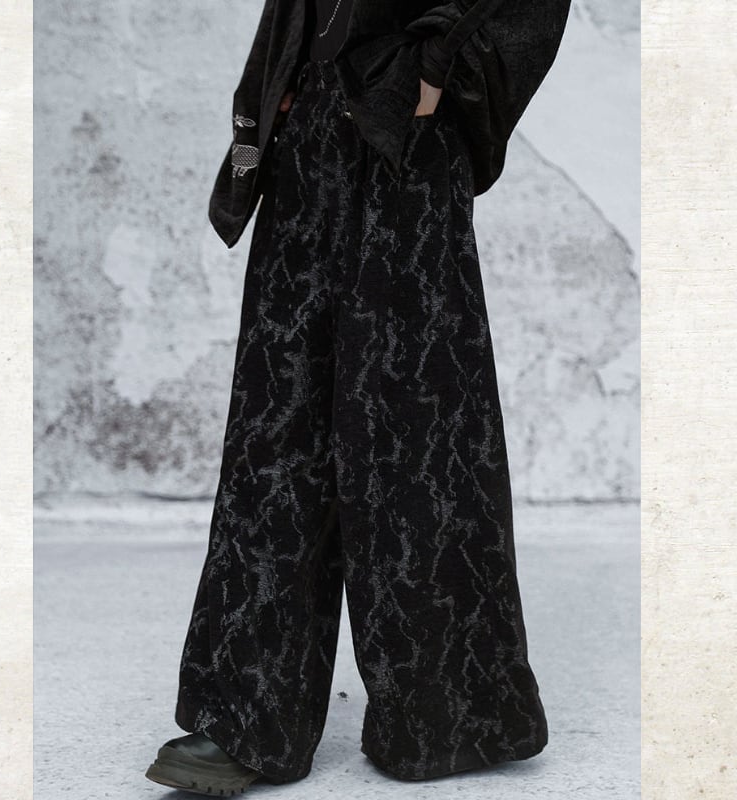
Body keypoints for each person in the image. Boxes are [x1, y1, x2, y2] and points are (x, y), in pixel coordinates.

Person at [146, 0, 571, 795]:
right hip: (307, 131)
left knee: (415, 429)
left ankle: (450, 716)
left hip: (406, 136)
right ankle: (245, 718)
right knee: (275, 430)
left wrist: (440, 64)